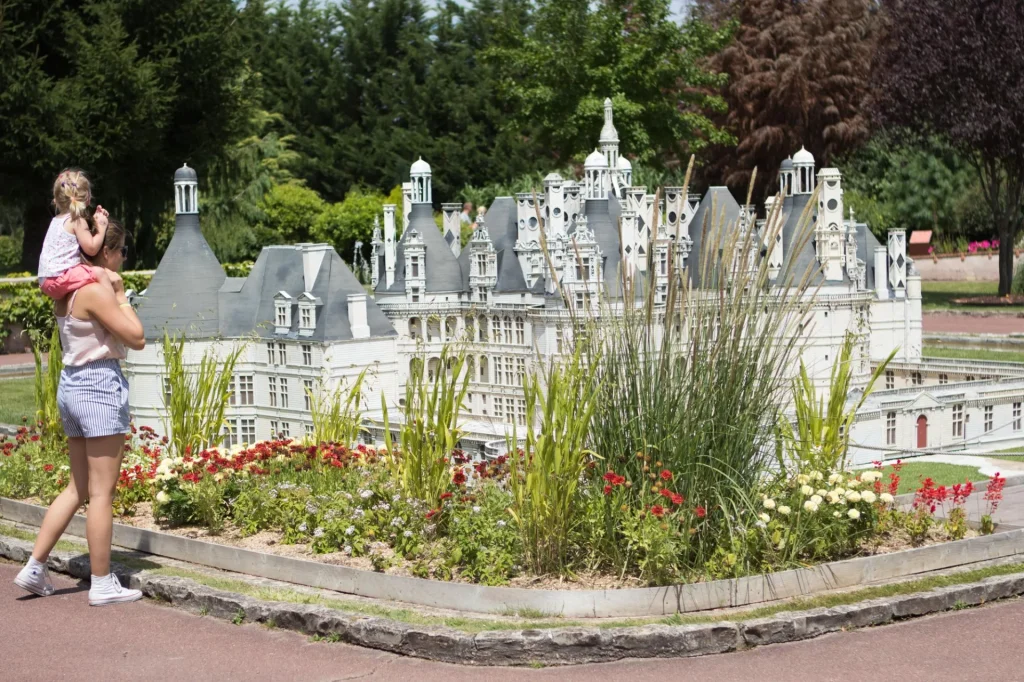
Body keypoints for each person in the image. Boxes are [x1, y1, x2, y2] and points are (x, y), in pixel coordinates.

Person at [14, 217, 147, 606]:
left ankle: (35, 567)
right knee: (101, 492)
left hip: (71, 385)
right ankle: (102, 583)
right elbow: (137, 337)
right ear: (105, 251)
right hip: (99, 386)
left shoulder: (66, 292)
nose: (123, 258)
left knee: (77, 487)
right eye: (121, 251)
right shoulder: (95, 291)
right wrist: (120, 295)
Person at [38, 169, 113, 300]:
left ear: (56, 200)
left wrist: (94, 219)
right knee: (100, 273)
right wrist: (101, 227)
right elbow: (91, 248)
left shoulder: (56, 221)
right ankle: (113, 308)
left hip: (45, 280)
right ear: (88, 198)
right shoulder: (77, 220)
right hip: (58, 277)